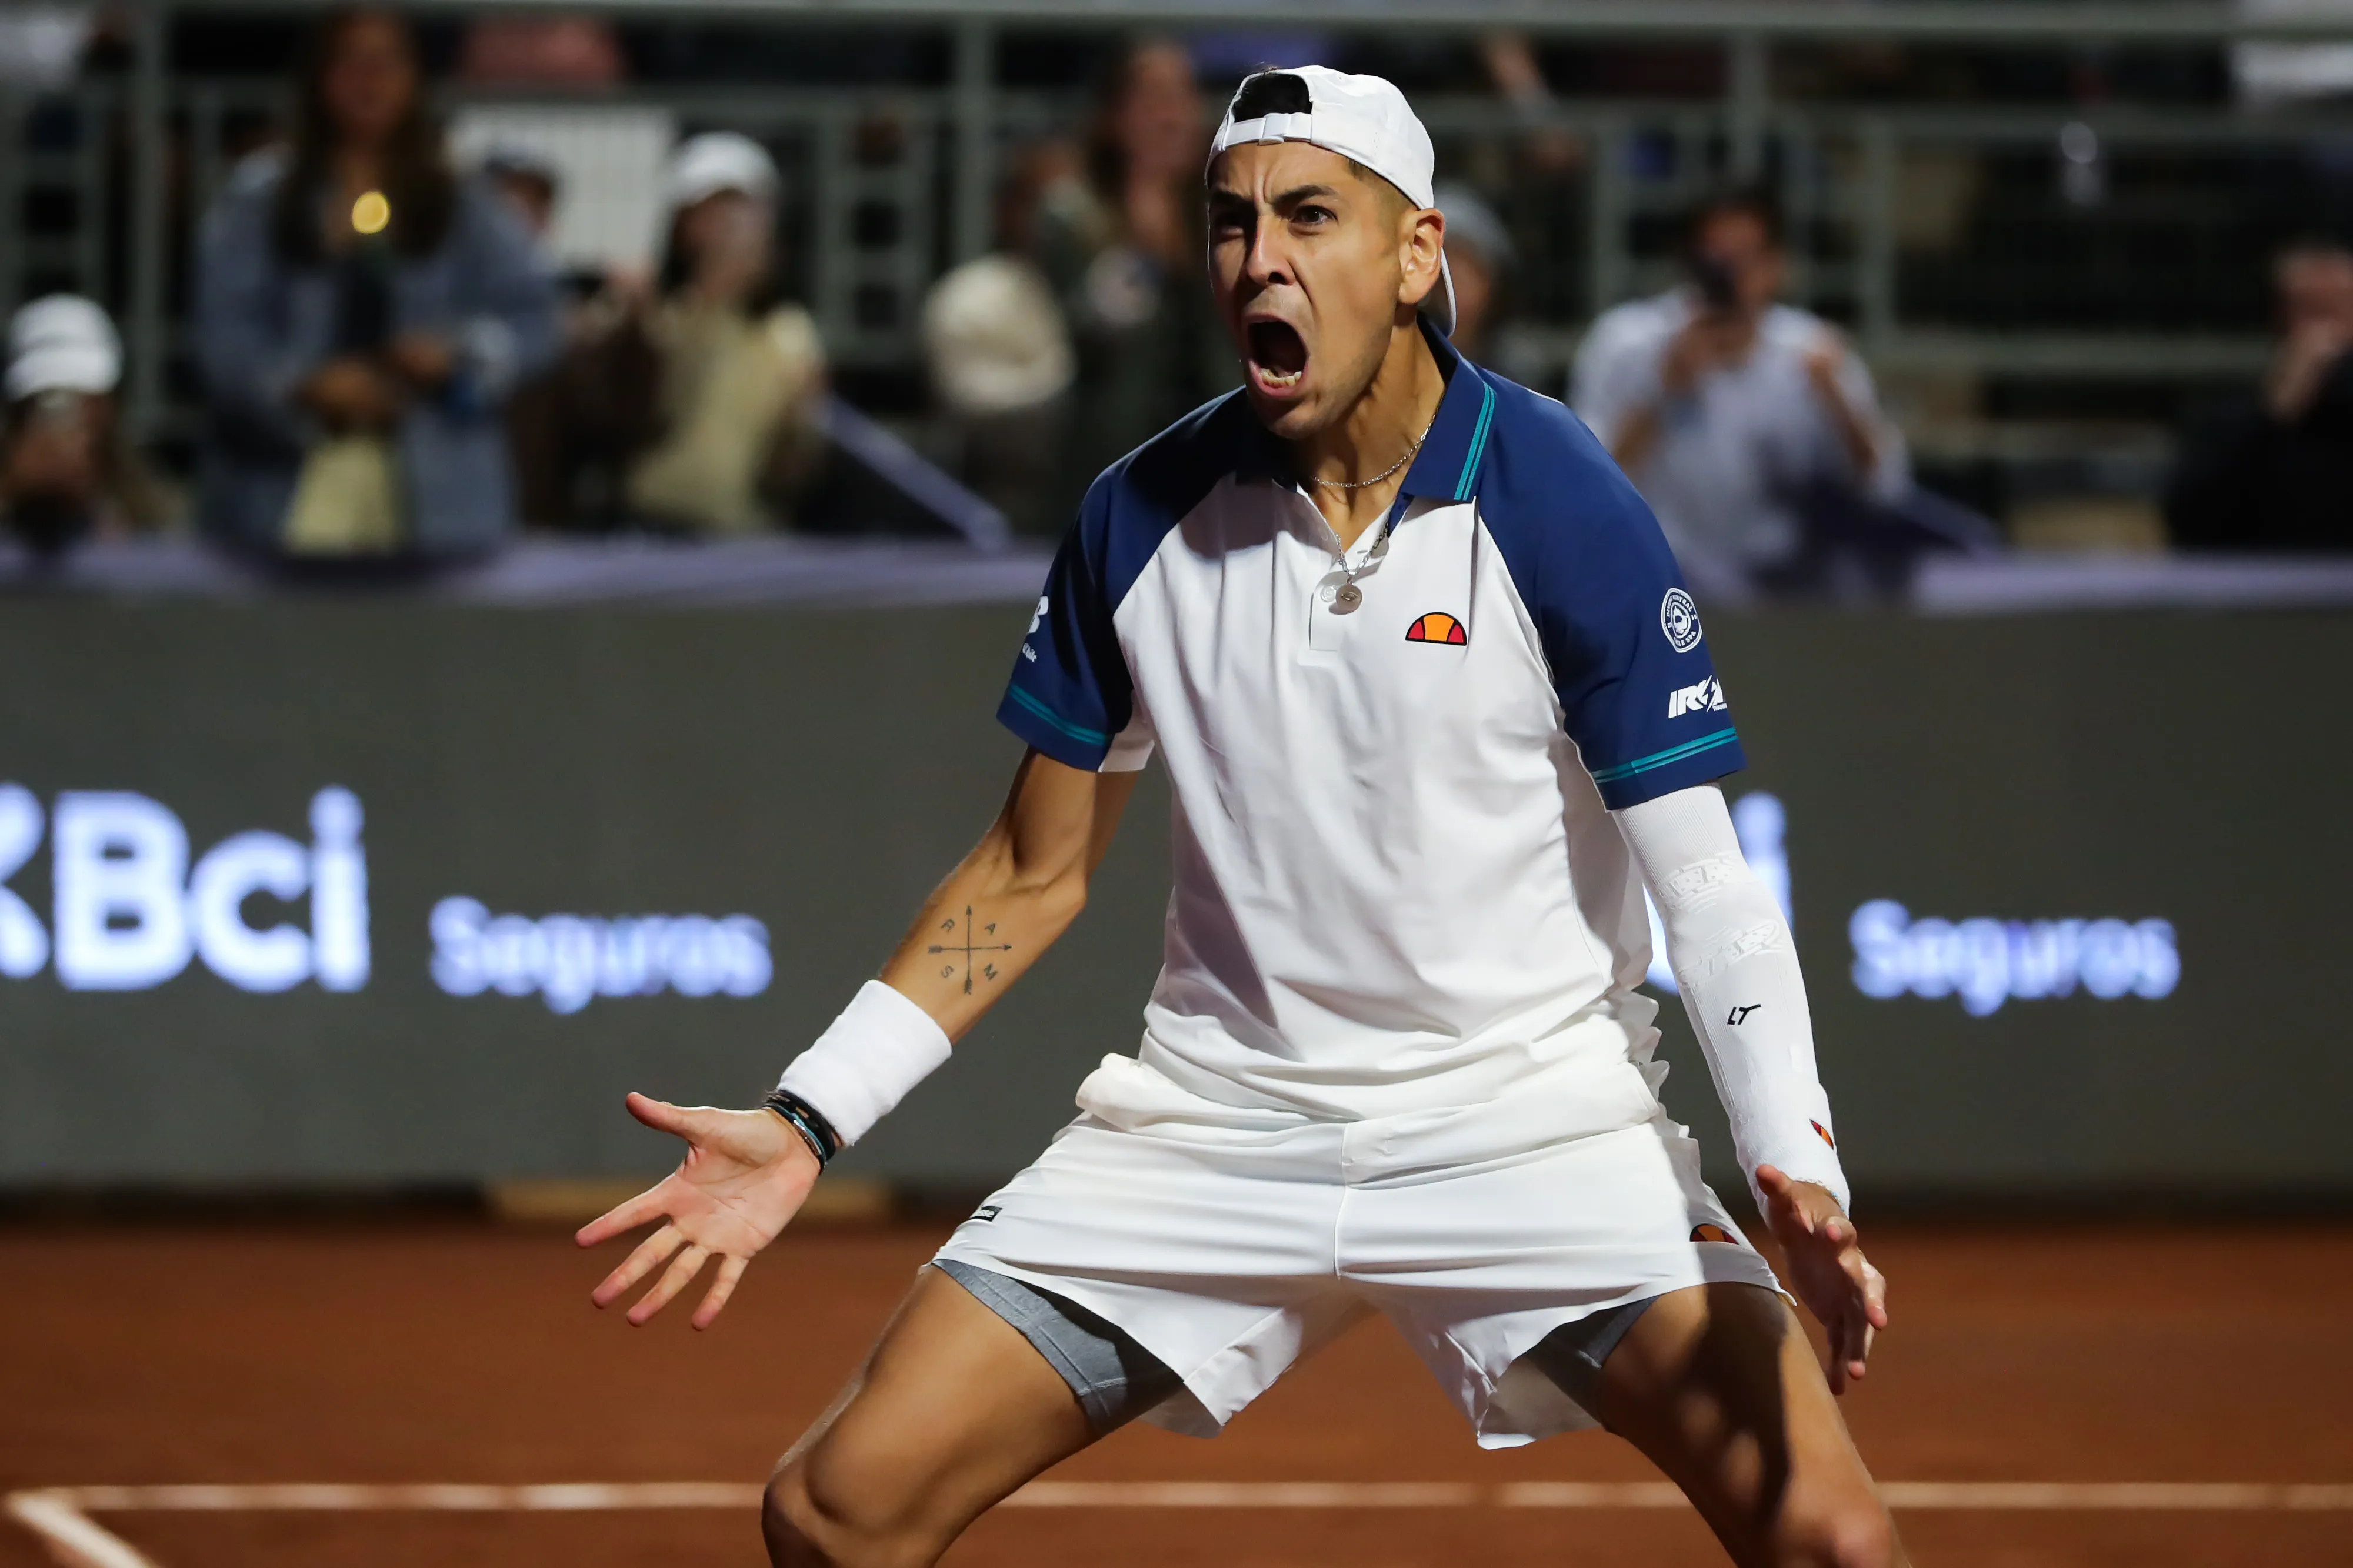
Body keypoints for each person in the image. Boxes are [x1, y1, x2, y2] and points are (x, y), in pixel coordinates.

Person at [580, 68, 1904, 1568]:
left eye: (1308, 215)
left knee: (1833, 1541)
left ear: (1415, 259)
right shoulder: (1139, 512)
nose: (1256, 256)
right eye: (1230, 220)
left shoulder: (1555, 498)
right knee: (834, 1505)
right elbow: (1027, 871)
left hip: (1528, 1123)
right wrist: (810, 1115)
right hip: (1215, 1126)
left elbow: (1709, 887)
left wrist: (1794, 1153)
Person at [193, 6, 559, 559]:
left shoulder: (463, 201)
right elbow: (224, 338)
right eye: (350, 61)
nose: (370, 80)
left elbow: (536, 318)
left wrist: (460, 352)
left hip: (439, 484)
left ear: (415, 78)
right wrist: (302, 386)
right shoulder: (259, 201)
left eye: (387, 61)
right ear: (318, 77)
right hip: (287, 477)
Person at [1571, 188, 1911, 600]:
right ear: (1689, 262)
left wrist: (1839, 408)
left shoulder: (1813, 354)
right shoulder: (1627, 343)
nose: (1730, 275)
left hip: (1784, 588)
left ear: (1776, 265)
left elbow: (1886, 488)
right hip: (1656, 576)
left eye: (1746, 257)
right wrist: (1660, 393)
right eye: (1715, 258)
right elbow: (1582, 489)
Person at [561, 131, 828, 533]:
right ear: (680, 222)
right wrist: (707, 297)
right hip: (645, 524)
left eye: (739, 212)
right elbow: (632, 411)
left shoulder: (789, 332)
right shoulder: (647, 311)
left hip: (743, 532)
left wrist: (802, 430)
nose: (726, 230)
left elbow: (795, 464)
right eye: (709, 212)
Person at [1036, 38, 1238, 512]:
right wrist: (1143, 236)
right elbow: (1088, 333)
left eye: (1183, 96)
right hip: (1111, 457)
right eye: (1153, 97)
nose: (1172, 116)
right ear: (1113, 116)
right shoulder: (1073, 216)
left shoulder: (1229, 214)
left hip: (1222, 452)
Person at [2166, 238, 2353, 552]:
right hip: (2260, 589)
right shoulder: (2230, 413)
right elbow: (2190, 525)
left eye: (2338, 310)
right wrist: (2274, 413)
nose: (2326, 332)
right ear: (2279, 318)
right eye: (2312, 310)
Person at [2, 295, 174, 549]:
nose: (64, 419)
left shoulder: (144, 496)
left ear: (110, 402)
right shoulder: (12, 473)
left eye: (81, 396)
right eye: (45, 396)